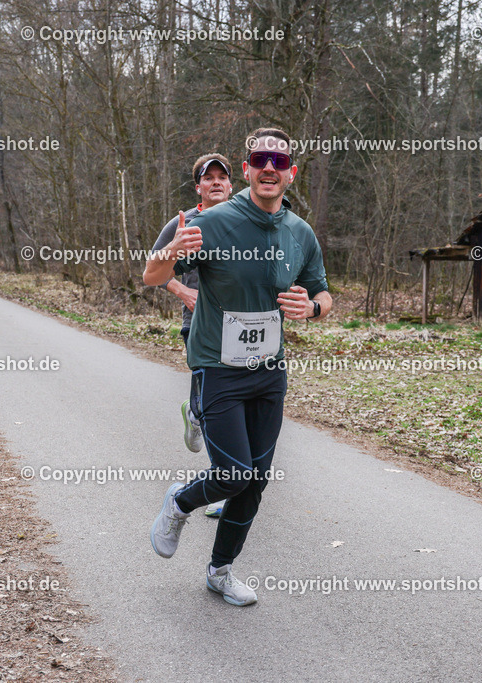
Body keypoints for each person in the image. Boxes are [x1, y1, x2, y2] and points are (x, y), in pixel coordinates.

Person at [144, 127, 332, 606]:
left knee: (256, 480)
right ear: (246, 169)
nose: (269, 166)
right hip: (217, 366)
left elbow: (324, 293)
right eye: (259, 158)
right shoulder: (214, 221)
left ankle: (220, 571)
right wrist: (172, 253)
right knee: (232, 473)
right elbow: (152, 275)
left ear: (291, 173)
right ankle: (180, 501)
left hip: (269, 372)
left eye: (279, 160)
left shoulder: (299, 232)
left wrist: (311, 309)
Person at [147, 153, 234, 519]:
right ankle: (220, 484)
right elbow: (152, 267)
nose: (215, 182)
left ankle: (195, 412)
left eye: (221, 177)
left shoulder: (245, 220)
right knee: (215, 407)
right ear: (198, 186)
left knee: (233, 406)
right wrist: (183, 292)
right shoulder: (185, 222)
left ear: (232, 184)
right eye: (207, 177)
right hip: (198, 325)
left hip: (241, 328)